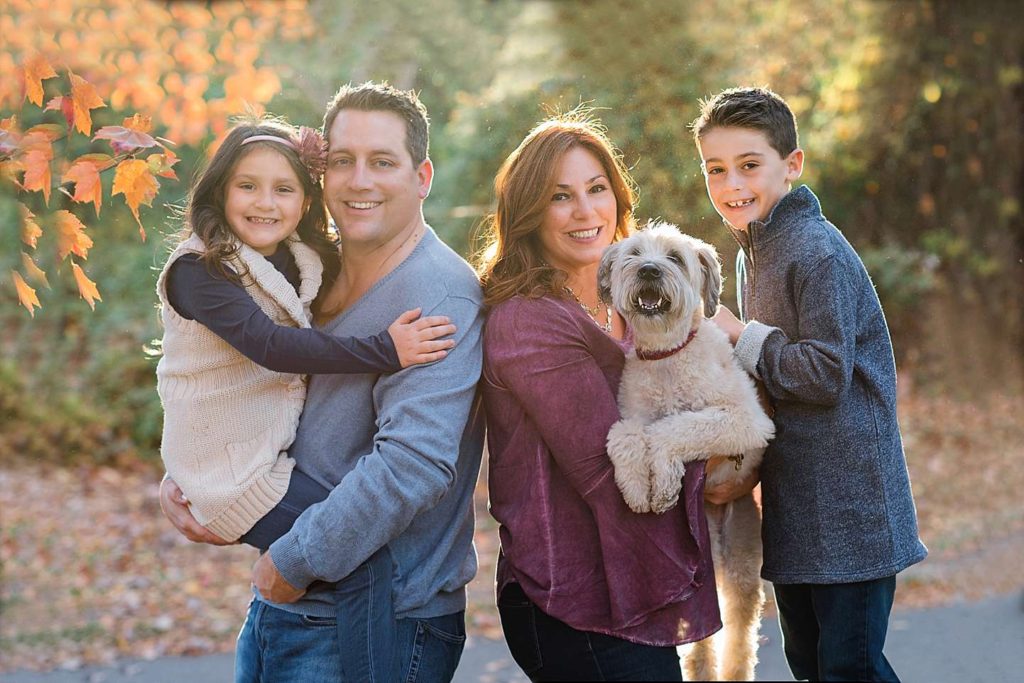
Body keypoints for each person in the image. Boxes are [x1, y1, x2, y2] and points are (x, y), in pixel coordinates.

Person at [159, 83, 485, 682]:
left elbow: (413, 466)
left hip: (376, 617)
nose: (359, 181)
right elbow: (233, 384)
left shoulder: (435, 294)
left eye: (382, 162)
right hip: (285, 608)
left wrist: (292, 558)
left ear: (423, 176)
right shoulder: (305, 273)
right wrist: (200, 472)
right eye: (342, 161)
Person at [691, 86, 928, 682]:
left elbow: (823, 375)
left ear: (791, 165)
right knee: (810, 664)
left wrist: (740, 333)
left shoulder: (816, 251)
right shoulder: (753, 254)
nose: (731, 184)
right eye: (715, 169)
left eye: (749, 165)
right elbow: (767, 380)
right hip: (796, 506)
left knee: (849, 667)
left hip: (850, 504)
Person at [476, 111, 721, 681]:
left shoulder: (635, 311)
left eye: (596, 189)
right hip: (574, 596)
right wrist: (723, 460)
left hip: (635, 577)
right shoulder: (528, 321)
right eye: (561, 196)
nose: (586, 212)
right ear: (530, 214)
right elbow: (608, 474)